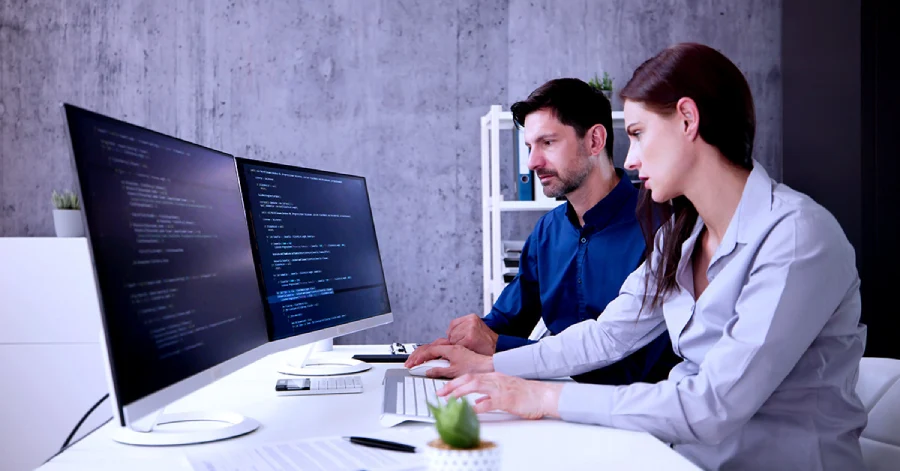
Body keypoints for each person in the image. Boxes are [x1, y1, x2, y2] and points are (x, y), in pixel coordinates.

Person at [407, 43, 867, 470]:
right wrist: (490, 370)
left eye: (640, 134)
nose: (629, 160)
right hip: (678, 457)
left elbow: (712, 407)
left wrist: (543, 398)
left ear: (688, 120)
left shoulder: (796, 238)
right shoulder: (681, 236)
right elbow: (606, 337)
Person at [409, 78, 679, 385]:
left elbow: (624, 360)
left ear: (594, 141)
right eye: (529, 146)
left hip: (633, 413)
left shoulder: (661, 226)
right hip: (549, 401)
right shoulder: (547, 232)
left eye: (547, 143)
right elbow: (507, 321)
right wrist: (458, 344)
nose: (532, 162)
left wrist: (498, 349)